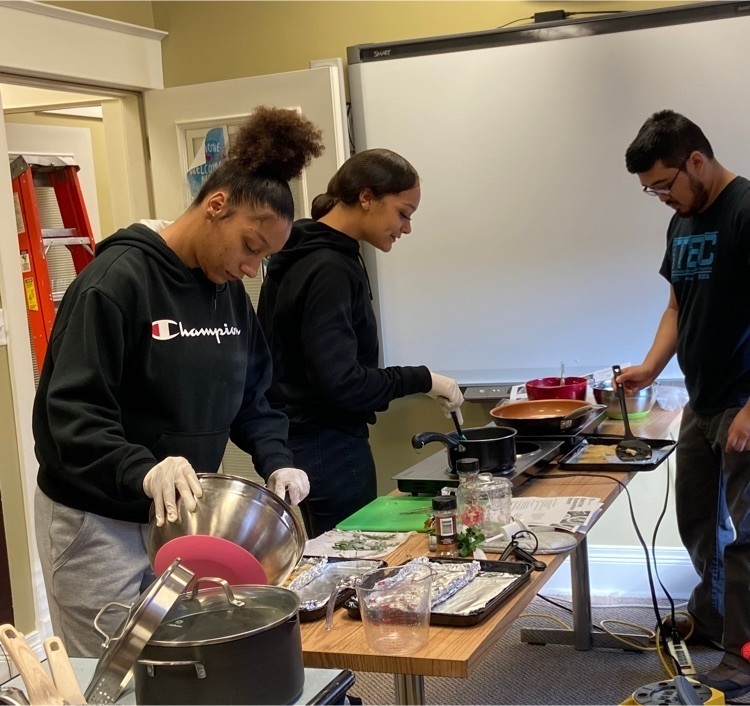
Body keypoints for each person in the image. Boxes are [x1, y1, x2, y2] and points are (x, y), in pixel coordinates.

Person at [33, 106, 323, 657]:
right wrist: (142, 470)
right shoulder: (116, 283)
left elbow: (251, 396)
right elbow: (70, 415)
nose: (252, 269)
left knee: (176, 664)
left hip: (177, 518)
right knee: (110, 672)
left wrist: (276, 456)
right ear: (216, 206)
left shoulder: (227, 293)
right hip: (97, 520)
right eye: (251, 247)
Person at [257, 148, 464, 538]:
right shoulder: (328, 267)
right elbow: (342, 383)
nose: (406, 228)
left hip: (303, 438)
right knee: (354, 562)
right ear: (366, 197)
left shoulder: (314, 252)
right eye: (403, 213)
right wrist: (422, 379)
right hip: (327, 444)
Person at [622, 109, 750, 698]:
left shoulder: (746, 211)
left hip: (744, 399)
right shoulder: (683, 223)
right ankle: (716, 620)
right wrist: (651, 365)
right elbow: (678, 307)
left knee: (748, 538)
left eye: (664, 184)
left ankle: (742, 658)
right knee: (699, 522)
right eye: (649, 191)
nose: (661, 198)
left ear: (696, 160)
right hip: (702, 400)